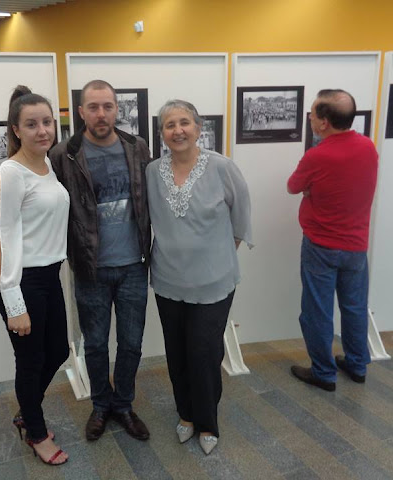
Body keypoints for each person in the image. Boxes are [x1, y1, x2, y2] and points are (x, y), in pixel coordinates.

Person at [146, 100, 252, 455]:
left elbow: (241, 217)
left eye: (184, 123)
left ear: (198, 127)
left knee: (204, 352)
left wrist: (218, 256)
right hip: (167, 280)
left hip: (213, 282)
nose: (178, 130)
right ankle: (186, 414)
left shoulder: (222, 167)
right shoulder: (152, 172)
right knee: (176, 351)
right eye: (169, 125)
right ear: (162, 133)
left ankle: (207, 421)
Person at [49, 80, 152, 442]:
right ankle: (100, 405)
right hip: (89, 267)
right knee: (94, 344)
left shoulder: (137, 147)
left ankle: (123, 405)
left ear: (117, 108)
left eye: (108, 106)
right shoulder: (63, 154)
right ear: (81, 112)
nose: (101, 114)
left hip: (134, 265)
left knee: (131, 343)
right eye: (93, 107)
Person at [0, 85, 70, 465]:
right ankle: (35, 431)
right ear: (16, 129)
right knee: (32, 360)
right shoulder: (10, 172)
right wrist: (14, 302)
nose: (42, 130)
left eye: (47, 122)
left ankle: (28, 410)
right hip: (19, 279)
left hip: (48, 275)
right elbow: (4, 237)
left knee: (59, 350)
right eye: (32, 124)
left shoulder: (47, 165)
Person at [287, 89, 378, 392]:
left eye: (312, 114)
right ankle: (357, 364)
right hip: (356, 246)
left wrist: (311, 190)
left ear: (324, 122)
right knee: (354, 307)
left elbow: (293, 186)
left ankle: (324, 373)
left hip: (321, 246)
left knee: (317, 312)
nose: (310, 118)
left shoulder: (317, 155)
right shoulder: (367, 147)